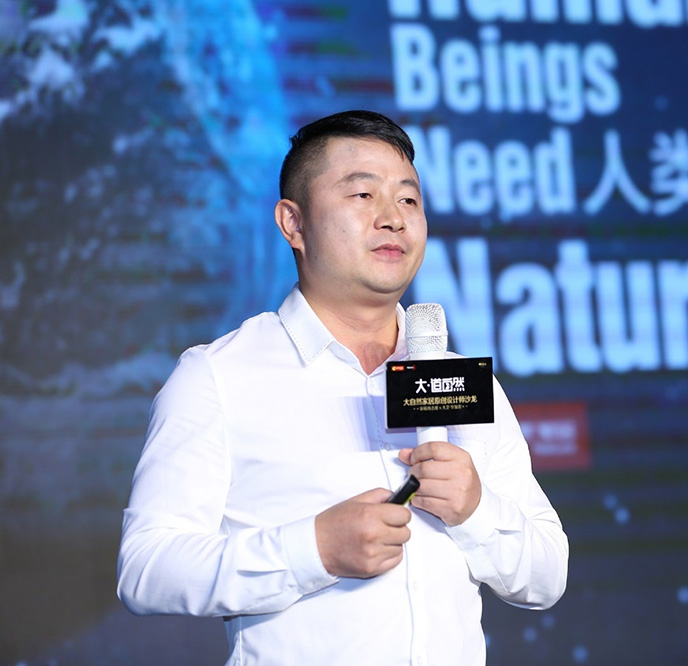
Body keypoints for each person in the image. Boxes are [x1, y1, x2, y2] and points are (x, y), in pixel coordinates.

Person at [117, 110, 569, 665]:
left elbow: (547, 575)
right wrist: (314, 549)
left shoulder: (463, 380)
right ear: (293, 223)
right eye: (362, 195)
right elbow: (147, 569)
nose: (393, 219)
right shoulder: (217, 376)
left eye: (408, 199)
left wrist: (476, 510)